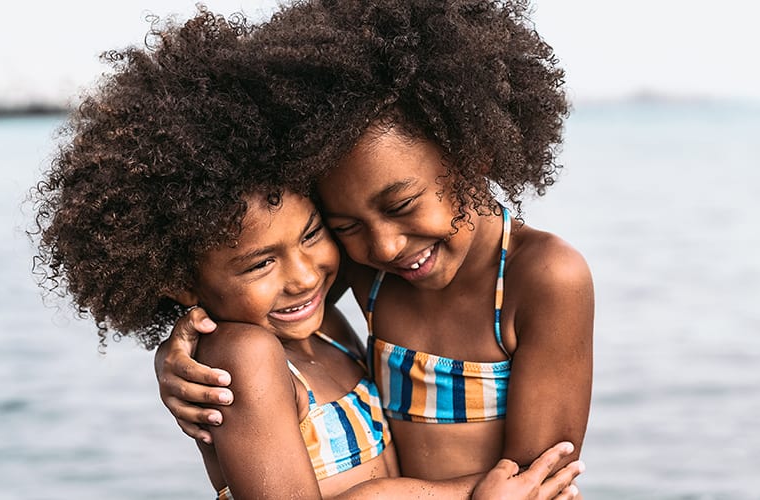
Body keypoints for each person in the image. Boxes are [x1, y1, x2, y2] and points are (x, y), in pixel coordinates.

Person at [32, 9, 582, 499]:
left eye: (317, 232)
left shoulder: (334, 324)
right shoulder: (251, 353)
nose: (305, 277)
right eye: (261, 262)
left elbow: (544, 474)